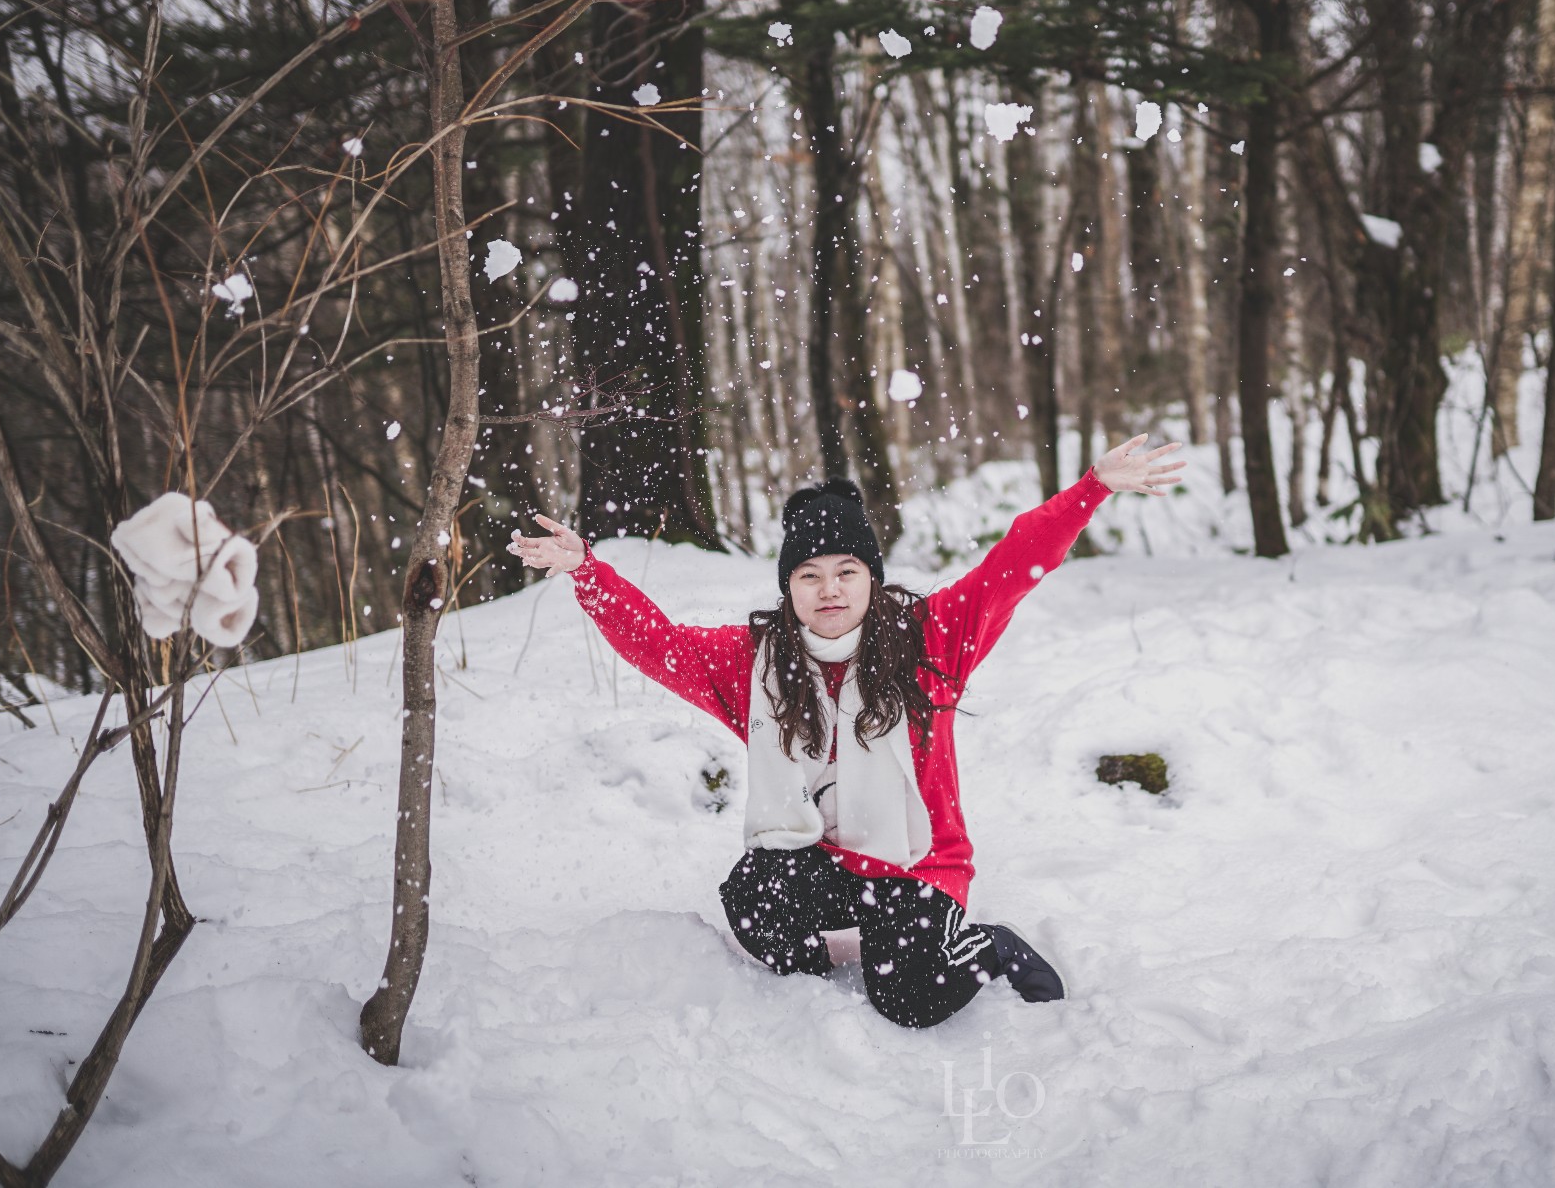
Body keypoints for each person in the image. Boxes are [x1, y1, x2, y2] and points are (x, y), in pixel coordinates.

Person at [507, 435, 1184, 1028]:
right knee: (752, 903)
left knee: (910, 1000)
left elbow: (1009, 567)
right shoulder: (757, 664)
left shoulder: (929, 642)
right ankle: (866, 939)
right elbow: (657, 645)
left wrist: (1091, 489)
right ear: (789, 587)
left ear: (870, 578)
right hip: (829, 864)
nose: (829, 591)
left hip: (920, 868)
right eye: (810, 575)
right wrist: (587, 572)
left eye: (846, 573)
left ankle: (988, 944)